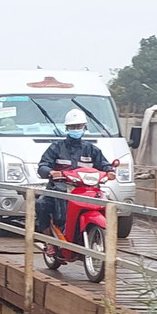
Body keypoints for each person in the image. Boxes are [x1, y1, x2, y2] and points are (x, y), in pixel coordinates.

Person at [35, 108, 115, 255]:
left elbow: (103, 164)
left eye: (79, 126)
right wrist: (51, 172)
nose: (76, 129)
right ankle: (49, 241)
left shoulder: (91, 149)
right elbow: (43, 166)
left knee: (110, 204)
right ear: (67, 128)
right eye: (72, 127)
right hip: (60, 189)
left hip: (87, 190)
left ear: (85, 127)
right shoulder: (56, 147)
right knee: (42, 205)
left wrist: (109, 171)